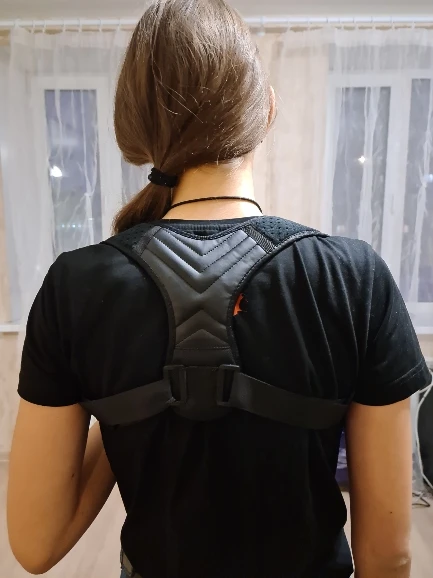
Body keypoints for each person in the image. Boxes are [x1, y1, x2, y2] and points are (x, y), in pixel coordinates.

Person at [7, 1, 431, 577]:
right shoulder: (353, 277)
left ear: (138, 130)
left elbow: (35, 545)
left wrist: (124, 407)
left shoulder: (75, 286)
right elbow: (389, 555)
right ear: (267, 109)